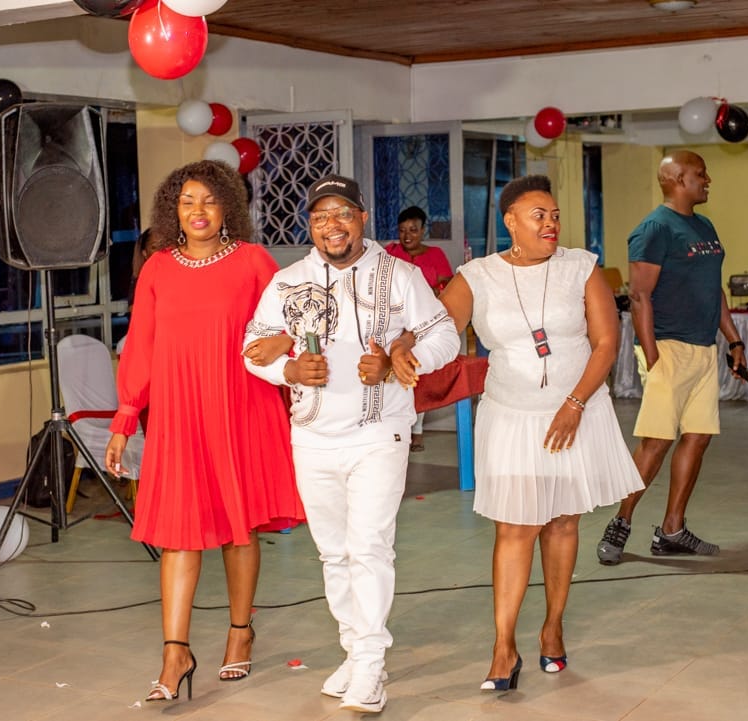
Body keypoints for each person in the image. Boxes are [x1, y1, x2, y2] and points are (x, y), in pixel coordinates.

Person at [393, 175, 643, 690]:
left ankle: (553, 627)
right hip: (511, 417)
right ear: (510, 221)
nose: (551, 224)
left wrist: (575, 403)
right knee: (514, 528)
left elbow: (606, 342)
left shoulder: (580, 267)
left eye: (555, 215)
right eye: (539, 215)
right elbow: (440, 327)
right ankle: (503, 646)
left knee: (563, 523)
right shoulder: (478, 276)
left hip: (575, 414)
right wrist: (404, 344)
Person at [243, 174, 460, 714]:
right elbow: (252, 346)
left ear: (362, 218)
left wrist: (400, 360)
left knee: (368, 548)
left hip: (378, 432)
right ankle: (353, 649)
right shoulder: (288, 281)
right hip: (312, 436)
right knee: (334, 553)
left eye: (342, 213)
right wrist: (289, 370)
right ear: (309, 225)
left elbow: (444, 333)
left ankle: (369, 664)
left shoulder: (401, 275)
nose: (331, 225)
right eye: (320, 217)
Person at [105, 160, 305, 703]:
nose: (198, 211)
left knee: (241, 528)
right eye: (187, 201)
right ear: (174, 209)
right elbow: (141, 345)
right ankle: (176, 652)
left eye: (210, 201)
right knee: (178, 531)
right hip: (178, 413)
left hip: (242, 405)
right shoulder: (157, 268)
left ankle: (240, 632)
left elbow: (293, 321)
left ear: (227, 209)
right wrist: (126, 417)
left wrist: (286, 347)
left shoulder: (253, 261)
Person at [595, 150, 748, 566]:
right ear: (678, 179)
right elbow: (639, 296)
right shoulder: (654, 229)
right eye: (701, 174)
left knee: (697, 437)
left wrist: (734, 341)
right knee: (657, 442)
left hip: (703, 348)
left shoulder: (704, 226)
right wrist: (653, 355)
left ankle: (672, 530)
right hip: (668, 348)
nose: (708, 180)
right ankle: (621, 522)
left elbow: (713, 289)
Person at [384, 206, 454, 452]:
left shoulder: (435, 255)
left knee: (416, 373)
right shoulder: (390, 253)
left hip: (422, 324)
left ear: (423, 230)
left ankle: (418, 431)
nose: (407, 236)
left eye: (413, 230)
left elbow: (446, 286)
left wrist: (432, 292)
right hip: (394, 324)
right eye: (402, 230)